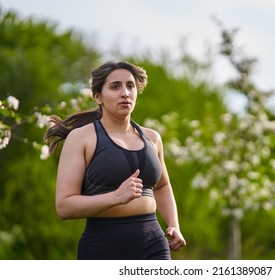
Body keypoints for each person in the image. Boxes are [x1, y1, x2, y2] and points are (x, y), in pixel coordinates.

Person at [44, 60, 186, 260]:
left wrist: (173, 224)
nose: (125, 92)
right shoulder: (82, 138)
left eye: (130, 86)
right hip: (102, 247)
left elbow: (162, 186)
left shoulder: (152, 138)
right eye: (115, 86)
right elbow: (64, 207)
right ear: (98, 96)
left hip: (153, 244)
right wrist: (115, 197)